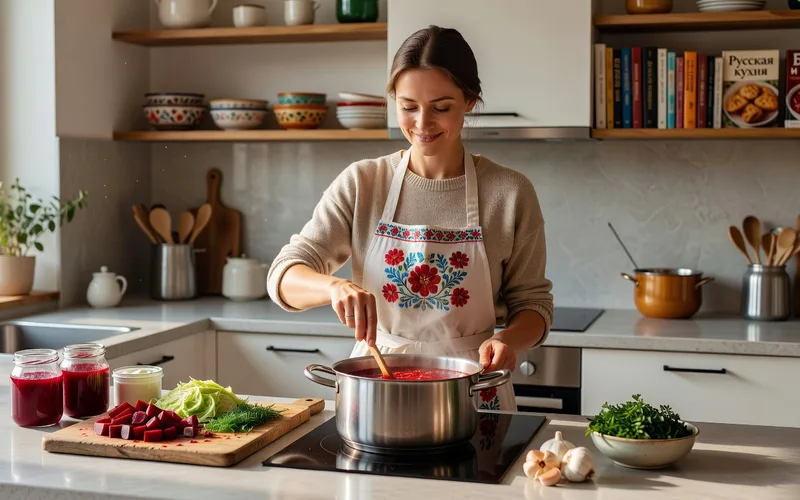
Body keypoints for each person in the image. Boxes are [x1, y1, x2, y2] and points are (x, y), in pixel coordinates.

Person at [266, 25, 553, 412]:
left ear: (470, 101)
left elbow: (534, 306)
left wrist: (509, 341)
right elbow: (283, 277)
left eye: (441, 107)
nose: (421, 124)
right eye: (408, 106)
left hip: (472, 390)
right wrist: (334, 288)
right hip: (376, 389)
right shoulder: (363, 182)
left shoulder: (510, 192)